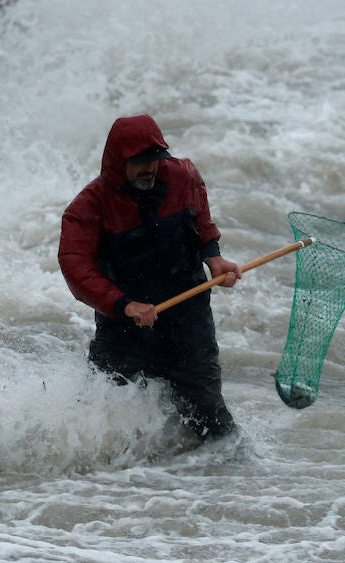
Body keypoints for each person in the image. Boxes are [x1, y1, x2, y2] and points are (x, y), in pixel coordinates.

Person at [59, 114, 241, 442]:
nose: (150, 168)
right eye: (140, 162)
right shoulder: (86, 208)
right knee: (99, 419)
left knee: (211, 419)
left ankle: (224, 479)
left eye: (155, 159)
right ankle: (100, 489)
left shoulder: (182, 175)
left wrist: (212, 255)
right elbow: (76, 268)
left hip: (188, 317)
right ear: (118, 162)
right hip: (124, 326)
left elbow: (198, 205)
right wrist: (124, 305)